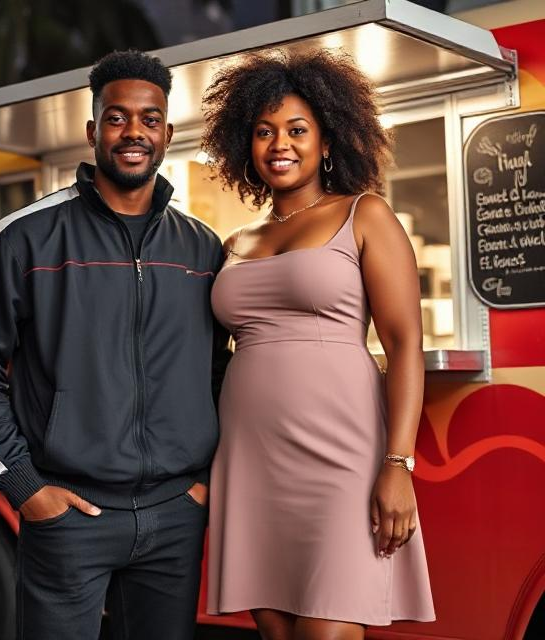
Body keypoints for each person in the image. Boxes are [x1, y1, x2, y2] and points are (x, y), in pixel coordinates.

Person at [0, 50, 229, 640]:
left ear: (168, 133)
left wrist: (206, 483)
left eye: (149, 120)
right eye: (117, 118)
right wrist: (25, 485)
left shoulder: (202, 249)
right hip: (69, 514)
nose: (134, 133)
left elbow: (222, 373)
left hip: (176, 514)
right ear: (93, 130)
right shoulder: (24, 237)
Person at [201, 50, 435, 640]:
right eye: (264, 131)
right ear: (244, 146)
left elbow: (405, 344)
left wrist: (398, 465)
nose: (280, 144)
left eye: (297, 130)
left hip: (343, 457)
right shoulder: (235, 241)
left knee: (327, 630)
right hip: (249, 458)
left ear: (327, 141)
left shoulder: (365, 215)